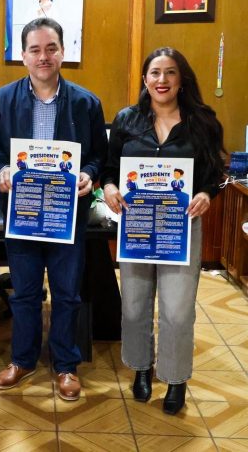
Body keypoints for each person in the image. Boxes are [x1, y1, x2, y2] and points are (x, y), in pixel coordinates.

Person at [0, 18, 107, 401]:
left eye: (51, 48)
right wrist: (2, 169)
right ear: (23, 56)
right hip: (21, 213)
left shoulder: (86, 103)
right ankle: (22, 360)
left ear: (62, 52)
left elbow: (98, 156)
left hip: (66, 214)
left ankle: (66, 365)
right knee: (24, 293)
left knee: (67, 293)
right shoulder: (1, 100)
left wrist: (89, 174)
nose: (43, 56)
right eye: (35, 50)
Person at [101, 47, 225, 415]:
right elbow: (109, 169)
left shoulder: (203, 122)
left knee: (177, 310)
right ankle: (141, 368)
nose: (162, 80)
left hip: (181, 227)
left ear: (181, 79)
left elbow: (214, 174)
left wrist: (206, 194)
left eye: (170, 72)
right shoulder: (127, 120)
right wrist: (109, 187)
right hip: (137, 227)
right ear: (145, 79)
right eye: (155, 72)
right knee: (135, 306)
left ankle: (175, 378)